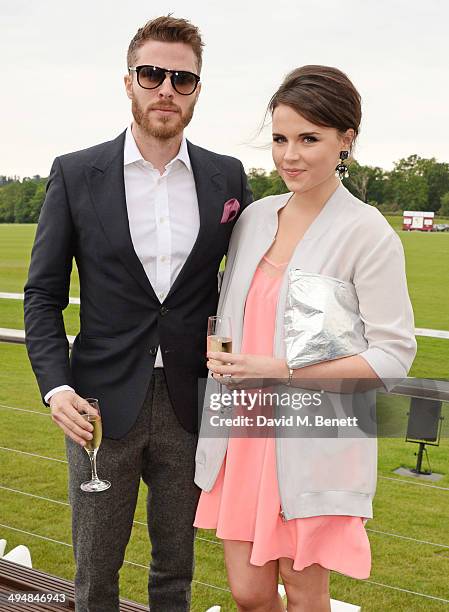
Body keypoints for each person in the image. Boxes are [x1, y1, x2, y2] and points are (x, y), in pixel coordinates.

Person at [24, 15, 252, 612]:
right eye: (152, 74)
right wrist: (55, 388)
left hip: (189, 400)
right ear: (128, 81)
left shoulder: (226, 176)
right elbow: (43, 295)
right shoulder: (76, 173)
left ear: (198, 89)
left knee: (175, 570)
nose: (166, 90)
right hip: (98, 402)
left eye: (183, 79)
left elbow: (250, 281)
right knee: (95, 569)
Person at [194, 65, 417, 611]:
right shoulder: (254, 219)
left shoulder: (368, 232)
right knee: (248, 594)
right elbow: (233, 315)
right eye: (279, 138)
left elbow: (394, 354)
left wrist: (283, 370)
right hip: (243, 432)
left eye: (309, 139)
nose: (289, 156)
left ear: (346, 140)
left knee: (303, 590)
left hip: (316, 436)